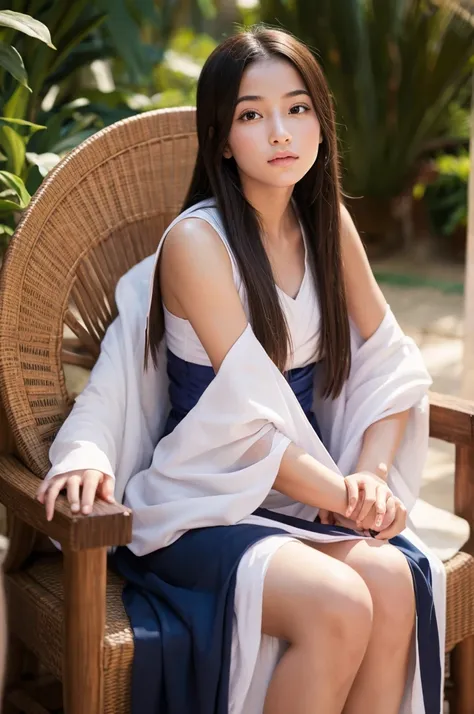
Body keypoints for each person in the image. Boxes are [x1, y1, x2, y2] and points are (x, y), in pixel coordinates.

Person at [36, 26, 444, 714]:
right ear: (223, 139)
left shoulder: (327, 224)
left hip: (297, 493)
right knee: (338, 601)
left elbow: (389, 358)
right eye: (252, 115)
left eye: (297, 107)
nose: (280, 131)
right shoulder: (198, 243)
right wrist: (347, 499)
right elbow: (249, 421)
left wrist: (372, 477)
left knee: (394, 579)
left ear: (320, 121)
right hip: (204, 500)